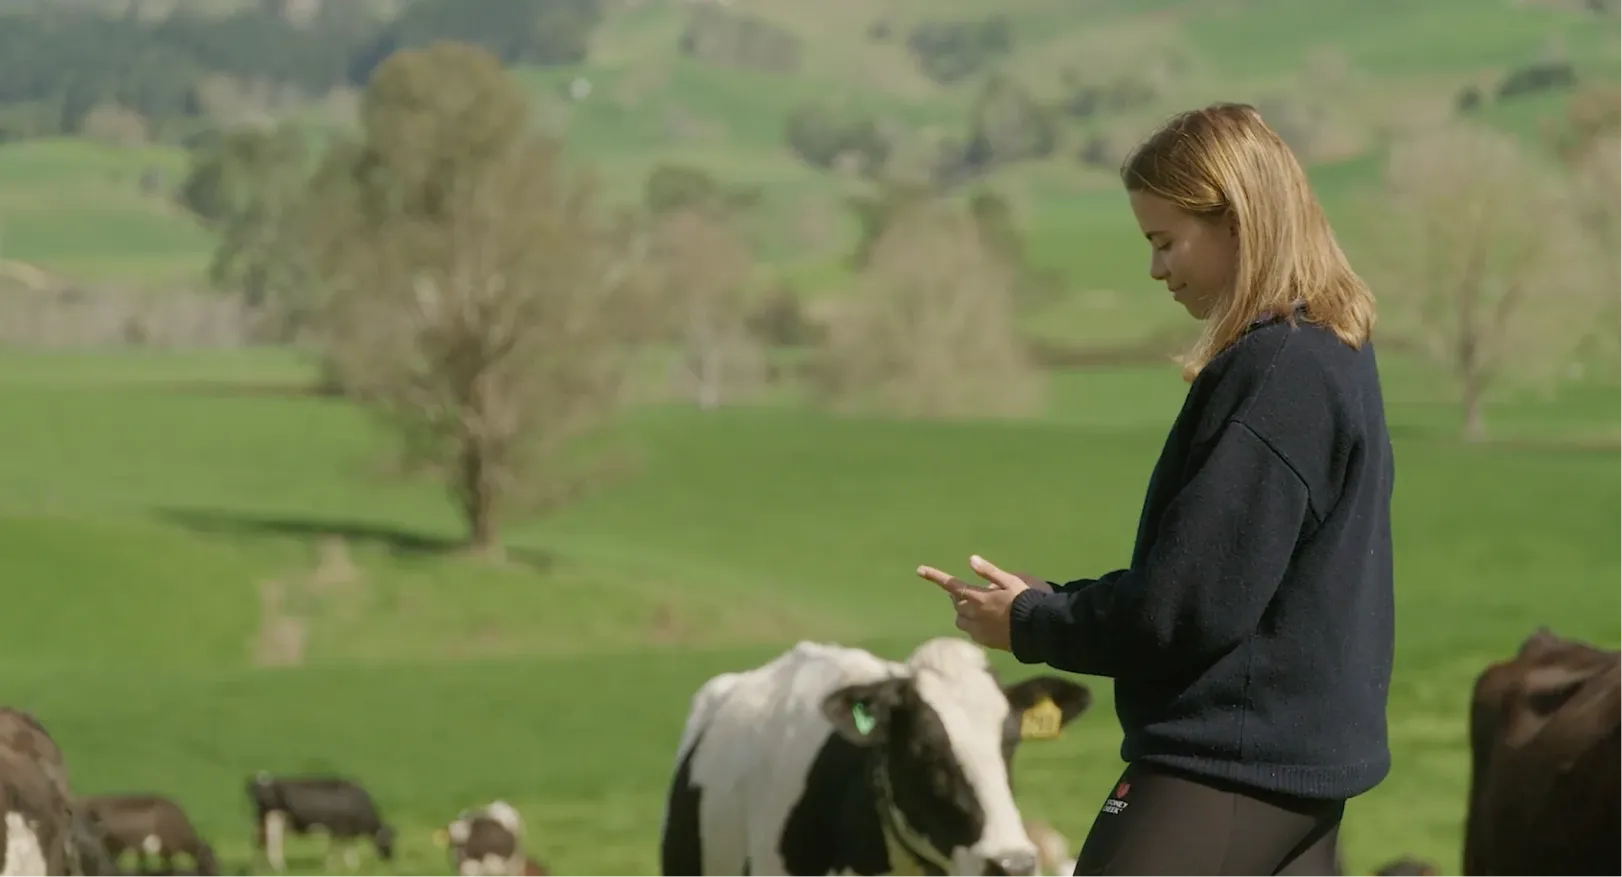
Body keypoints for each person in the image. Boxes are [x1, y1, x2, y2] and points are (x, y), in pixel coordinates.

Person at [916, 102, 1395, 877]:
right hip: (1289, 783)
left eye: (1165, 241)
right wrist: (1054, 599)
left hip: (1223, 770)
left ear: (1238, 220)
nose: (1155, 269)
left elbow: (1188, 607)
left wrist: (1034, 623)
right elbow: (1223, 578)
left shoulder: (1277, 374)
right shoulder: (1331, 353)